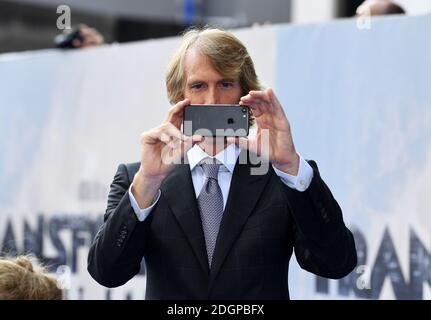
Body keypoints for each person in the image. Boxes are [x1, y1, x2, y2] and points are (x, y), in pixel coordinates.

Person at [87, 27, 357, 299]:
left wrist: (290, 166)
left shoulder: (283, 175)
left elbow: (336, 263)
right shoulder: (140, 176)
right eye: (198, 86)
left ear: (246, 93)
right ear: (179, 94)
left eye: (225, 84)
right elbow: (107, 272)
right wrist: (147, 183)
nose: (212, 100)